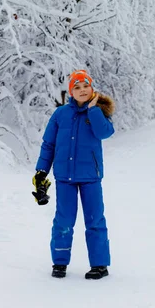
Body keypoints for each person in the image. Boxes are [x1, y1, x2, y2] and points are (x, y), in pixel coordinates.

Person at [33, 69, 115, 279]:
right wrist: (42, 172)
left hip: (91, 176)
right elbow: (48, 144)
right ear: (71, 91)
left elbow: (105, 132)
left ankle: (100, 265)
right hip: (65, 177)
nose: (82, 90)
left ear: (92, 88)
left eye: (85, 86)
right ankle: (59, 263)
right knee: (63, 220)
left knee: (95, 219)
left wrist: (93, 109)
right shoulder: (60, 114)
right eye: (76, 87)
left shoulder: (98, 112)